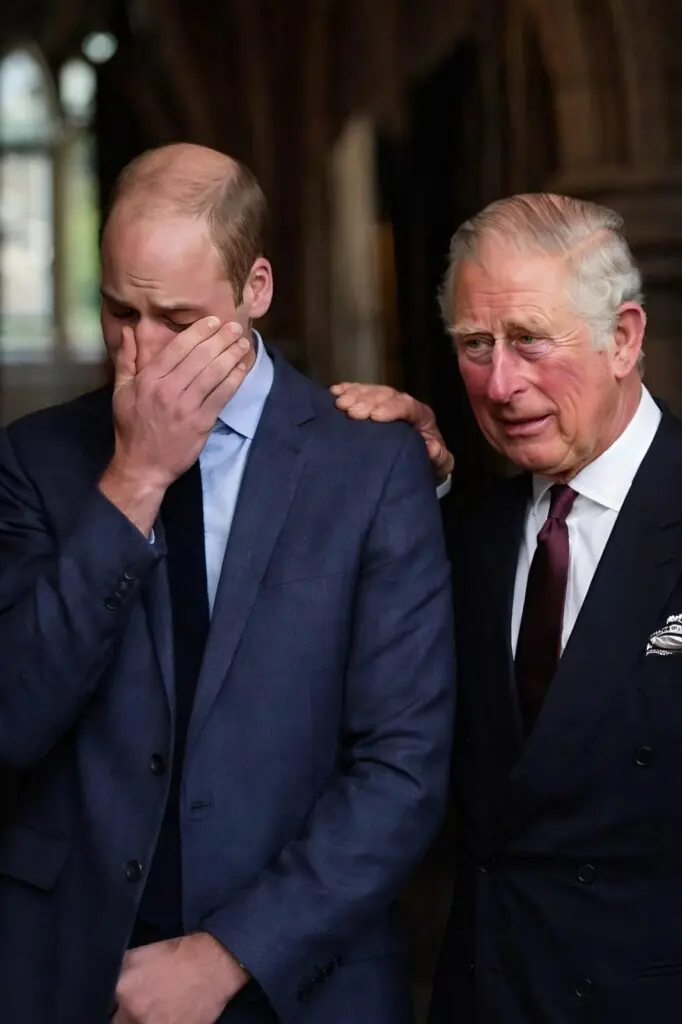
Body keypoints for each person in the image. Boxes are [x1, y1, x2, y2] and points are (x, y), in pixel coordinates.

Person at [0, 143, 455, 1024]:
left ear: (256, 289)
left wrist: (227, 956)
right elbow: (15, 717)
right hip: (73, 969)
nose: (140, 354)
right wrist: (134, 479)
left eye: (177, 319)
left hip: (306, 977)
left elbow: (403, 767)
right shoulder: (34, 459)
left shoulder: (370, 465)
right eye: (119, 312)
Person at [333, 193, 682, 1022]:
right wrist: (398, 489)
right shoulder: (469, 535)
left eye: (529, 340)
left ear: (623, 338)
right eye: (475, 345)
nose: (500, 384)